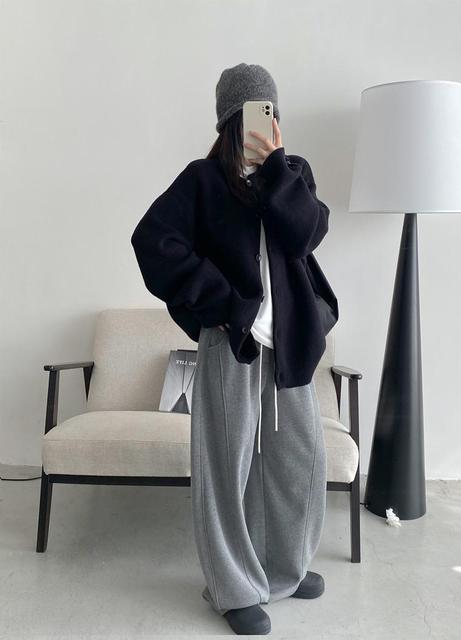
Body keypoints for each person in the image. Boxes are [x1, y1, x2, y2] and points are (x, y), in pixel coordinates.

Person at [131, 62, 338, 636]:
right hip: (232, 343)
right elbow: (152, 241)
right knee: (225, 470)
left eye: (271, 112)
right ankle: (233, 587)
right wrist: (220, 303)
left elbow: (307, 234)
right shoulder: (202, 179)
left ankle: (286, 569)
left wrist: (275, 169)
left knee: (302, 462)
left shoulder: (293, 173)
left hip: (289, 346)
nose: (263, 122)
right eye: (252, 113)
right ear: (229, 119)